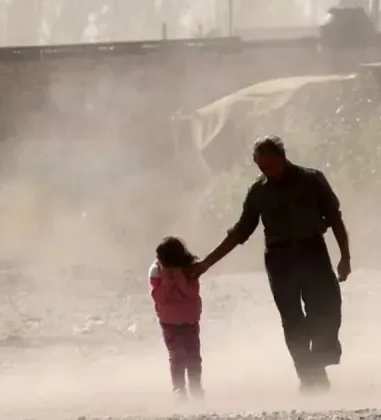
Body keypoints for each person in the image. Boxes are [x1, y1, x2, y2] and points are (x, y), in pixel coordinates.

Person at [192, 135, 352, 394]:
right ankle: (309, 378)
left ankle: (319, 359)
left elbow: (334, 217)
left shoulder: (312, 180)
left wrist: (345, 256)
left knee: (328, 307)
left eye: (268, 165)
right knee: (292, 319)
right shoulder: (259, 191)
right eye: (260, 167)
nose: (265, 171)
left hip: (313, 252)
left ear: (282, 157)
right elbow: (241, 231)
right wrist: (206, 263)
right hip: (280, 260)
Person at [150, 236, 204, 401]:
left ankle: (196, 387)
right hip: (169, 322)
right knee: (177, 355)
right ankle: (179, 390)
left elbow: (192, 293)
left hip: (190, 320)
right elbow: (158, 297)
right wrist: (167, 282)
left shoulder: (189, 270)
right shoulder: (157, 271)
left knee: (193, 355)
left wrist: (180, 279)